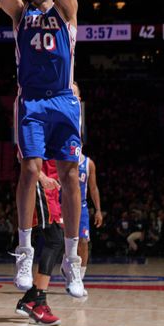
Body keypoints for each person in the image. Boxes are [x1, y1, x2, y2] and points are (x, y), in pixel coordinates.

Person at [0, 0, 85, 298]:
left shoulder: (68, 11)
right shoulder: (19, 14)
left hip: (64, 100)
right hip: (31, 101)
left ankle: (72, 259)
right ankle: (24, 250)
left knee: (69, 176)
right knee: (29, 170)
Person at [15, 160, 64, 326]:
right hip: (40, 186)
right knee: (55, 240)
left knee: (56, 241)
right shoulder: (37, 133)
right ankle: (39, 304)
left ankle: (29, 299)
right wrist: (41, 176)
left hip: (53, 189)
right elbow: (24, 155)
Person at [71, 82, 102, 290]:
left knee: (83, 242)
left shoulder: (88, 163)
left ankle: (79, 277)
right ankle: (70, 271)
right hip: (65, 204)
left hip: (81, 206)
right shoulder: (62, 161)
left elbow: (94, 188)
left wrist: (98, 210)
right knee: (66, 244)